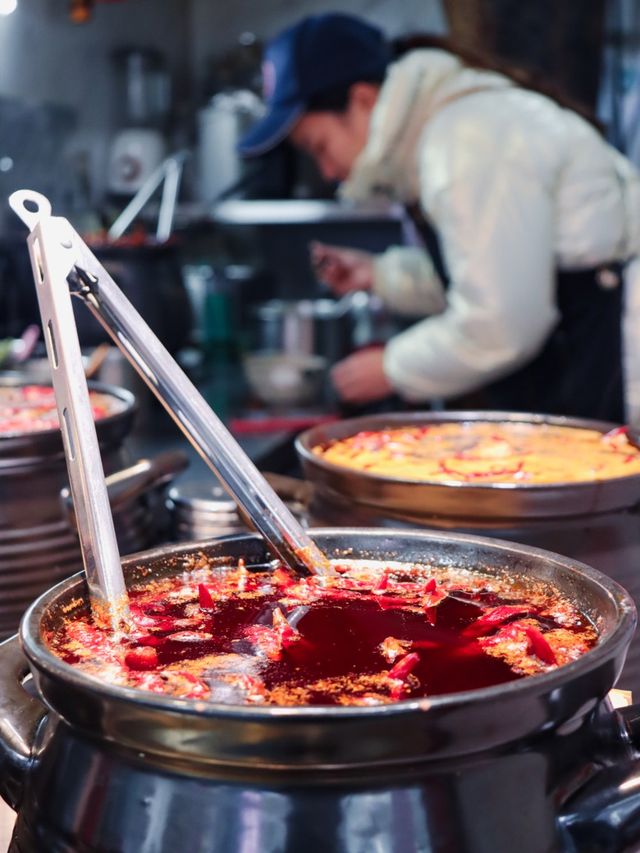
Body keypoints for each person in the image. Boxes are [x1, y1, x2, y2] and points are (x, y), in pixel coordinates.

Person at [238, 12, 640, 422]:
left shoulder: (468, 138)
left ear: (363, 100)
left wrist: (392, 367)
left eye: (318, 146)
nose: (325, 170)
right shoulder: (451, 129)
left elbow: (503, 323)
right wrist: (379, 275)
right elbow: (496, 269)